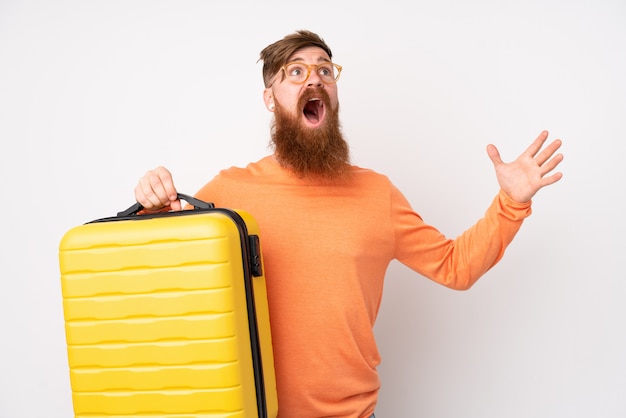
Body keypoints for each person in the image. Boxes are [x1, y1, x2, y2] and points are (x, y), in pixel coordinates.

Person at [134, 30, 564, 418]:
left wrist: (511, 202)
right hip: (248, 412)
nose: (314, 79)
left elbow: (456, 267)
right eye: (295, 71)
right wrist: (152, 205)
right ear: (270, 97)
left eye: (325, 70)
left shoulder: (376, 194)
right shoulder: (229, 191)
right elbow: (168, 277)